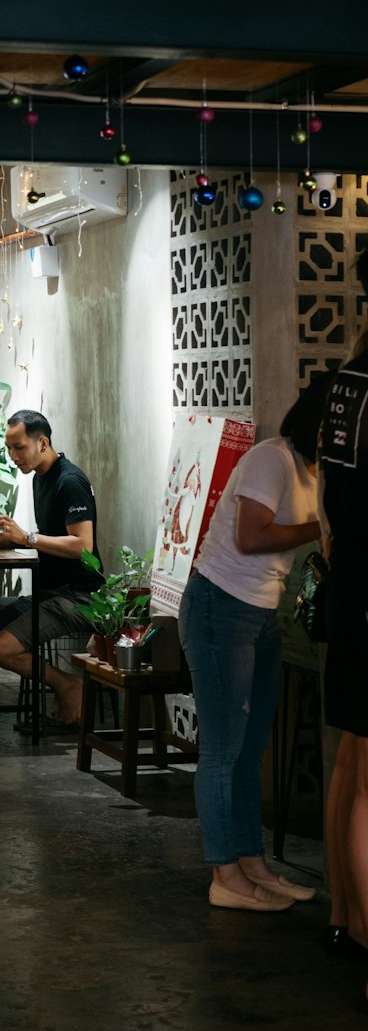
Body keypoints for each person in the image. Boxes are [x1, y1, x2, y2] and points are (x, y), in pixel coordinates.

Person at [178, 376, 332, 912]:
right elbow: (251, 535)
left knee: (249, 750)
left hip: (260, 614)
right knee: (222, 751)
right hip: (221, 607)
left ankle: (252, 864)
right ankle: (225, 875)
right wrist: (318, 528)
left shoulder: (313, 470)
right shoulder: (274, 458)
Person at [0, 410, 101, 727]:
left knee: (2, 648)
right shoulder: (41, 478)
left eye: (19, 448)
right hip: (47, 591)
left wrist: (26, 536)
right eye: (9, 448)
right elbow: (48, 540)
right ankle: (64, 683)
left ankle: (68, 685)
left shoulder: (70, 482)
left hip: (79, 595)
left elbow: (83, 546)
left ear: (42, 443)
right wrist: (11, 541)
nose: (13, 457)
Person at [320, 245, 368, 982]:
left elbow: (327, 510)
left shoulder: (346, 383)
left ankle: (346, 918)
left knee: (353, 761)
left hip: (351, 589)